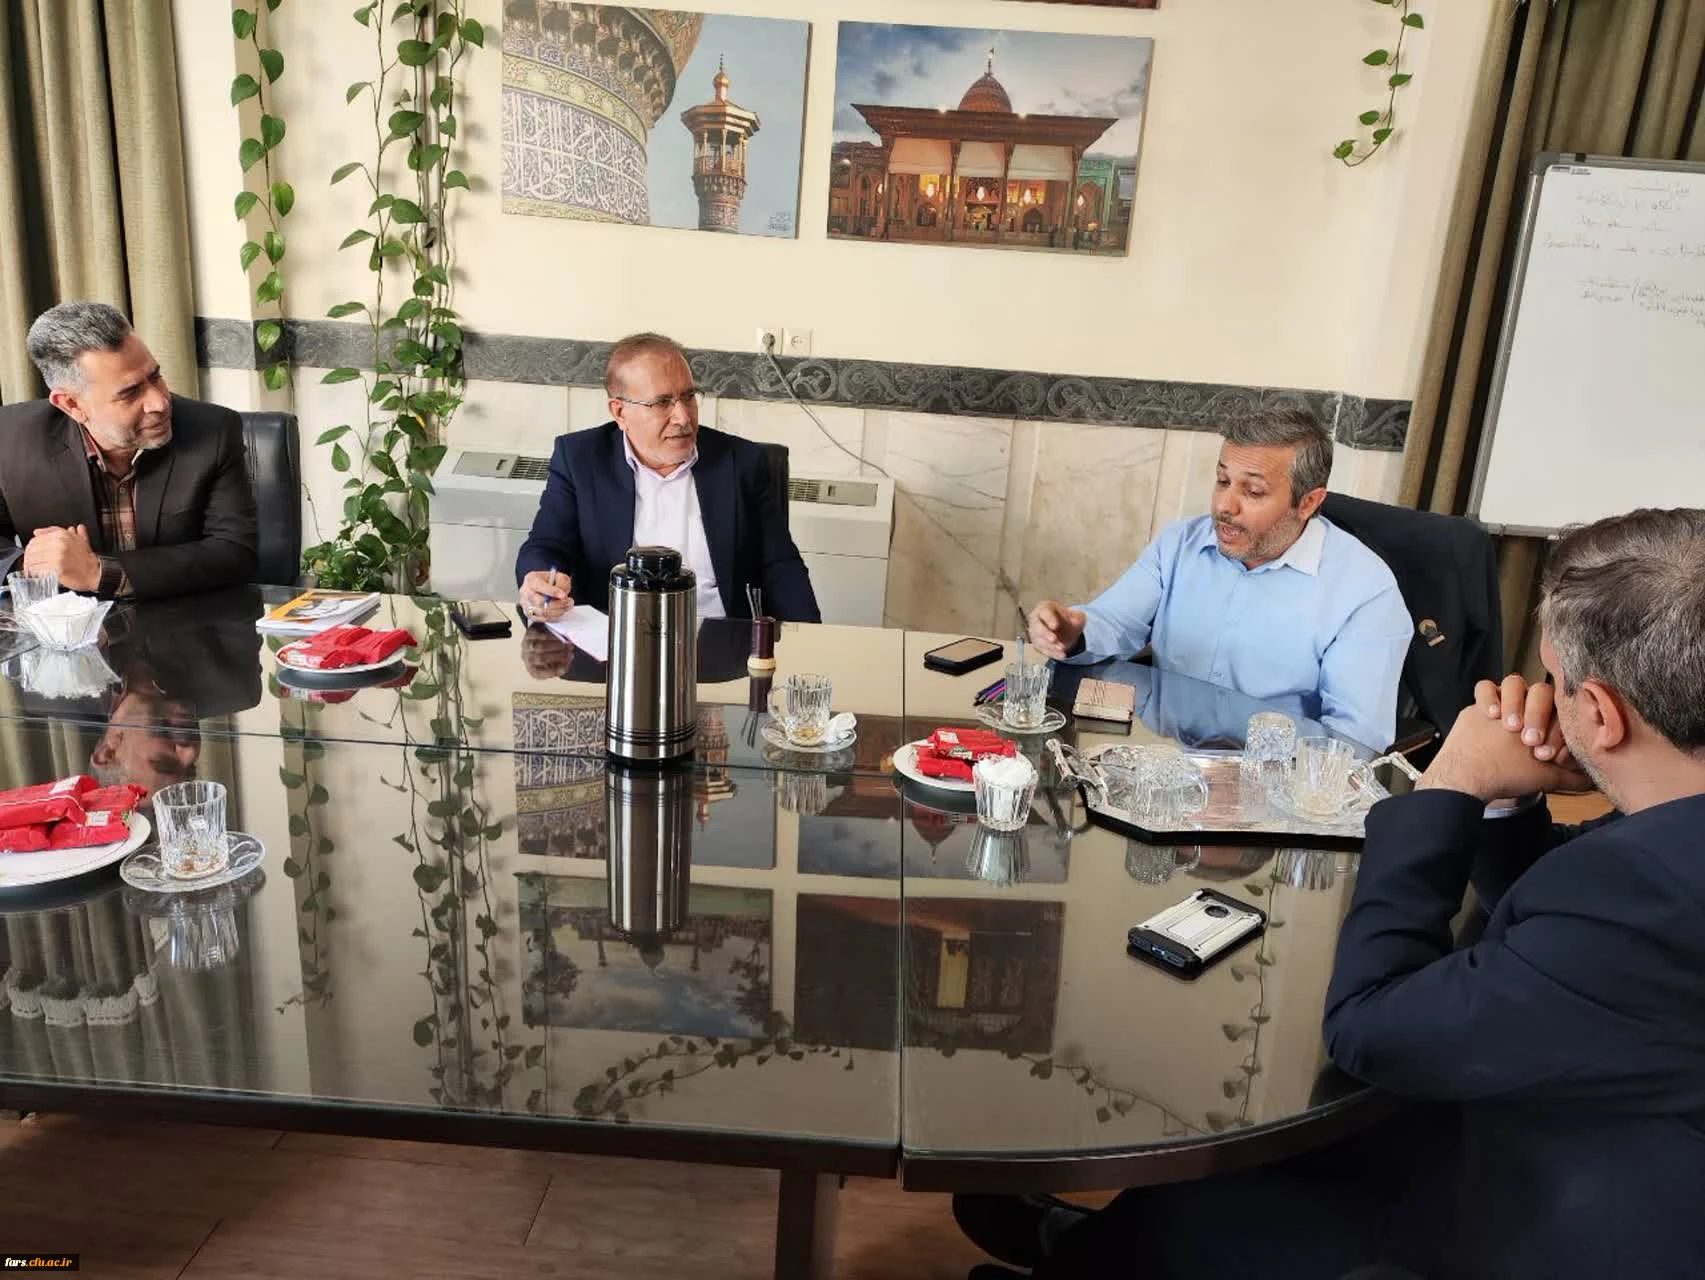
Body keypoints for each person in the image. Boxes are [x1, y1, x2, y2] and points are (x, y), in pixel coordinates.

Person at [958, 506, 1705, 1279]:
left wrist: (1451, 783)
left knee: (1216, 1185)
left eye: (1553, 680)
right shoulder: (1664, 845)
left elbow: (1372, 1029)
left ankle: (1085, 1258)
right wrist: (1506, 803)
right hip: (1572, 1119)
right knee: (1225, 1161)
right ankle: (1080, 1253)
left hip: (1535, 1218)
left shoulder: (1645, 896)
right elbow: (1565, 925)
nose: (1540, 695)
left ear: (1601, 714)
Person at [1026, 407, 1411, 749]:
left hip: (1271, 781)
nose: (1224, 506)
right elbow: (1115, 621)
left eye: (1253, 491)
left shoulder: (1366, 591)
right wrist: (1074, 632)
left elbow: (1354, 743)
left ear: (1308, 502)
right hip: (1161, 760)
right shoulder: (1181, 543)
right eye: (1223, 481)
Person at [514, 332, 819, 624]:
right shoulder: (579, 459)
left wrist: (808, 642)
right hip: (616, 639)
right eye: (662, 403)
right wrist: (538, 579)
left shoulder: (743, 464)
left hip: (719, 639)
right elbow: (547, 544)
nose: (683, 417)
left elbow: (780, 567)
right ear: (619, 412)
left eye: (689, 397)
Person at [0, 301, 258, 599]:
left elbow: (235, 553)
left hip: (183, 618)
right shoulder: (10, 437)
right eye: (130, 393)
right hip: (70, 624)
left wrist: (99, 573)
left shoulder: (214, 430)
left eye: (155, 376)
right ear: (71, 405)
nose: (159, 402)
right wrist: (35, 564)